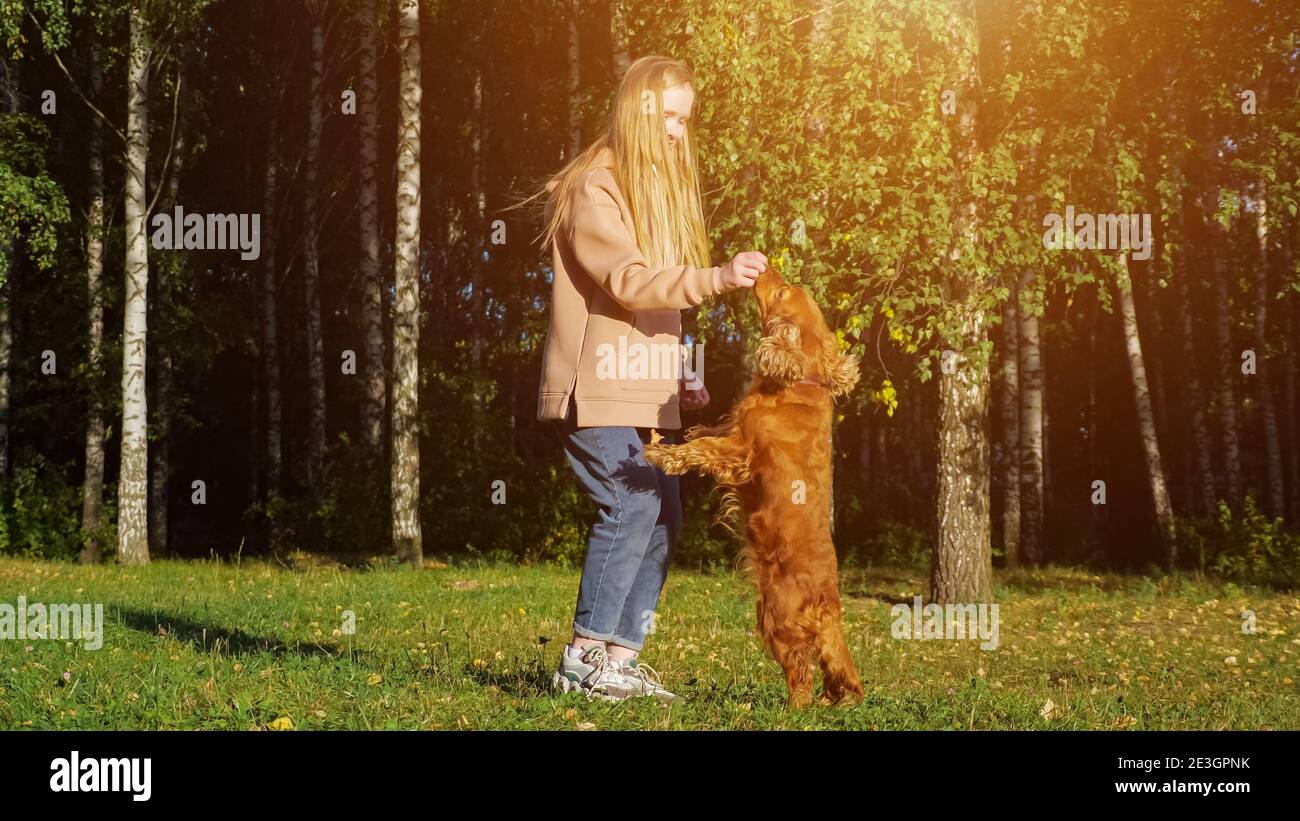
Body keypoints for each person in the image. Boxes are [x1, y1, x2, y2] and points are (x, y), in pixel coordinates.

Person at [527, 55, 767, 702]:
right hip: (593, 384)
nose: (677, 132)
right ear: (637, 109)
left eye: (685, 120)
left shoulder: (645, 192)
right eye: (668, 117)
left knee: (665, 514)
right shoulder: (594, 186)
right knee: (631, 500)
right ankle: (581, 659)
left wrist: (678, 372)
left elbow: (656, 310)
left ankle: (619, 660)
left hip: (638, 386)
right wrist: (717, 277)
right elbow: (629, 282)